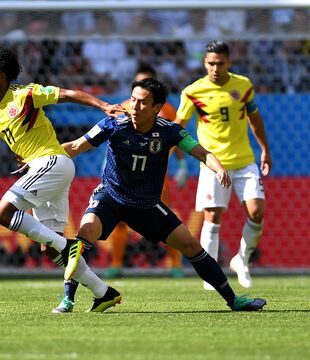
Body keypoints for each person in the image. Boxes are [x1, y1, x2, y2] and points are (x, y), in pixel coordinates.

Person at [63, 77, 266, 311]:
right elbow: (77, 146)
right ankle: (67, 300)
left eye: (142, 103)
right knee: (85, 232)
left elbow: (201, 152)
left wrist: (219, 168)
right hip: (111, 196)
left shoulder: (169, 131)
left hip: (147, 205)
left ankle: (234, 300)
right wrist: (45, 158)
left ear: (157, 108)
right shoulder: (113, 124)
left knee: (191, 245)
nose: (134, 107)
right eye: (133, 100)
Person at [0, 45, 125, 313]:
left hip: (53, 163)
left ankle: (68, 246)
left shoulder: (26, 95)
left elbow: (67, 94)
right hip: (41, 170)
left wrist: (103, 105)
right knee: (49, 249)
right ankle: (103, 292)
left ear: (1, 75)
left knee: (2, 213)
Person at [174, 41, 272, 289]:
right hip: (212, 163)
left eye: (220, 63)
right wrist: (181, 161)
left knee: (257, 212)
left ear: (229, 62)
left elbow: (255, 119)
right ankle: (211, 271)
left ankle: (242, 259)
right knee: (212, 216)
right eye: (210, 63)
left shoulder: (243, 85)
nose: (215, 68)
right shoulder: (193, 92)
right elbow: (177, 128)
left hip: (244, 160)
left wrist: (265, 150)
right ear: (205, 63)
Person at [104, 63, 187, 279]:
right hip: (124, 176)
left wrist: (182, 165)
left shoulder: (167, 110)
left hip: (155, 175)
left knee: (164, 217)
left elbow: (175, 138)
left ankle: (175, 264)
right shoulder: (123, 108)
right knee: (119, 219)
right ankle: (116, 264)